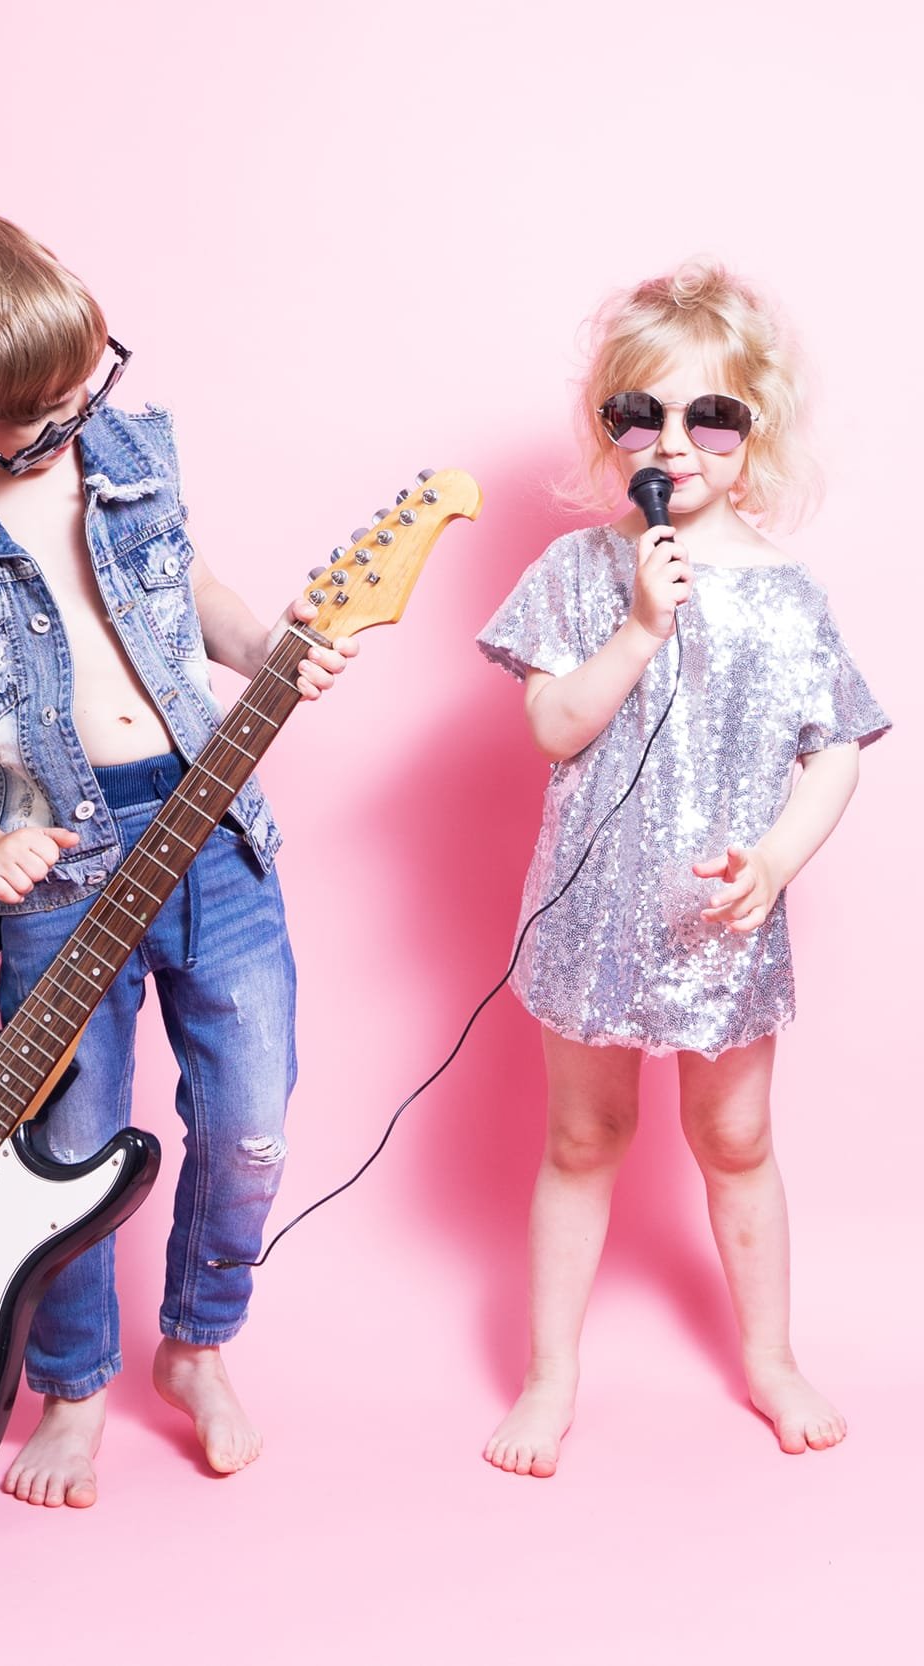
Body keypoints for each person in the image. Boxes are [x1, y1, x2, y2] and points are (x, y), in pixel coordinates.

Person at [0, 210, 355, 1507]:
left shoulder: (128, 451)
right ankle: (73, 1387)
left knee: (250, 1129)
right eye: (32, 414)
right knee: (64, 1146)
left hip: (212, 828)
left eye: (83, 389)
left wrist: (272, 642)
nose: (70, 424)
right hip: (60, 873)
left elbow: (189, 593)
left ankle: (198, 1347)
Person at [476, 259, 889, 1476]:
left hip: (722, 916)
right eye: (642, 414)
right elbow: (554, 727)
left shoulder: (789, 595)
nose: (677, 441)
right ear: (611, 430)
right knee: (583, 1138)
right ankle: (552, 1374)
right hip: (594, 912)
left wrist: (775, 858)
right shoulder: (578, 575)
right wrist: (640, 626)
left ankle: (769, 1355)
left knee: (739, 1138)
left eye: (711, 415)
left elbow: (836, 758)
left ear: (753, 431)